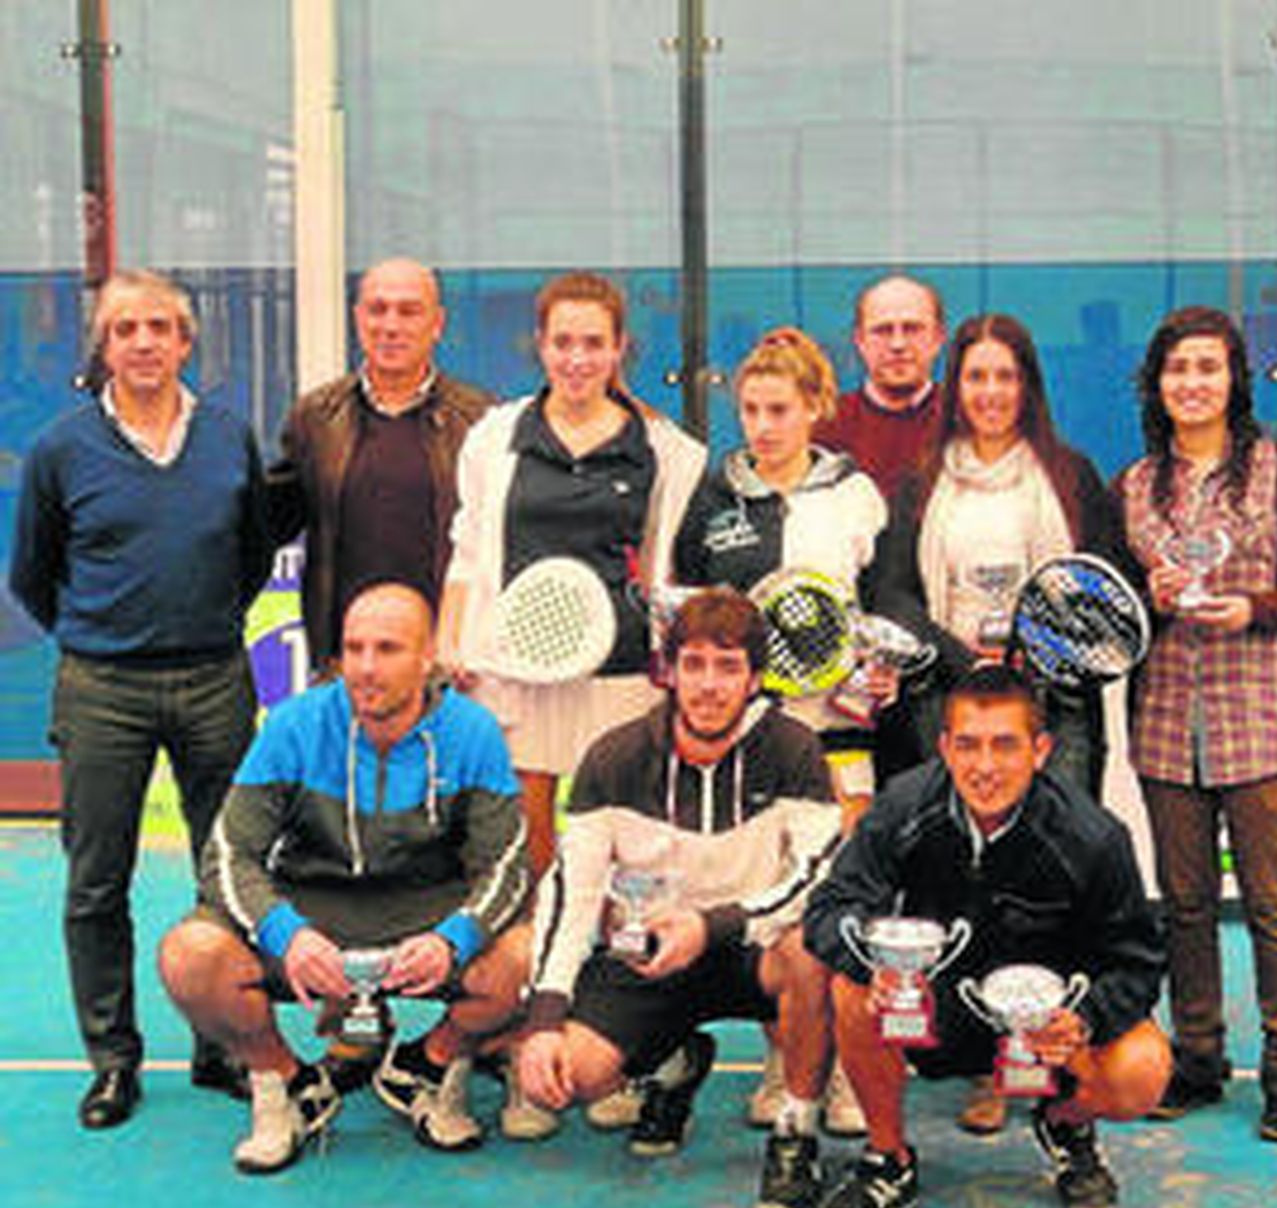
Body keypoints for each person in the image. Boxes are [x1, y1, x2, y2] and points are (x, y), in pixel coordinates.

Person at [9, 269, 273, 1128]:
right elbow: (34, 576)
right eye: (126, 329)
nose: (145, 342)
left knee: (227, 872)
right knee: (95, 881)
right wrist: (107, 636)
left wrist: (196, 627)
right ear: (105, 346)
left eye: (161, 326)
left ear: (187, 342)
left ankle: (220, 1044)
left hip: (214, 680)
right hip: (101, 688)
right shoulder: (60, 449)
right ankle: (113, 1061)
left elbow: (252, 560)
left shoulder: (231, 439)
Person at [157, 583, 531, 1173]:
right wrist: (287, 933)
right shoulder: (293, 725)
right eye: (354, 649)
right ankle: (287, 1084)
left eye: (387, 649)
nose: (365, 667)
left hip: (427, 921)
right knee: (189, 955)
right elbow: (228, 853)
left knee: (527, 955)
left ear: (427, 656)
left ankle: (427, 1067)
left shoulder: (473, 731)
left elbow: (508, 864)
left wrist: (452, 939)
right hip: (314, 919)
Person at [803, 665, 1169, 1208]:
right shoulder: (903, 807)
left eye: (1005, 745)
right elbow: (830, 908)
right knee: (850, 991)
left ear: (1041, 749)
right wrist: (874, 965)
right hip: (934, 1010)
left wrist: (1084, 1019)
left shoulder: (1095, 837)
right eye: (968, 745)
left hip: (1044, 1030)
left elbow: (1140, 964)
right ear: (945, 746)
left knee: (1143, 1068)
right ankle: (887, 1160)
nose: (985, 767)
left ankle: (1066, 1123)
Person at [514, 587, 842, 1208]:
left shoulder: (796, 749)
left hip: (752, 949)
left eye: (728, 667)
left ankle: (796, 1134)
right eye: (694, 664)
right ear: (668, 672)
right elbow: (570, 899)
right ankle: (674, 1059)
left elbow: (817, 877)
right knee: (565, 1080)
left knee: (811, 952)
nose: (709, 685)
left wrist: (713, 925)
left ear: (755, 678)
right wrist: (544, 1019)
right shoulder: (613, 757)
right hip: (648, 959)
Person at [1114, 306, 1277, 1143]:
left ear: (1234, 378)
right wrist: (1151, 597)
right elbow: (1113, 604)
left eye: (1208, 366)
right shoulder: (1134, 484)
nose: (1193, 382)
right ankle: (1199, 1057)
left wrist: (1256, 607)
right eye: (1178, 368)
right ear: (1158, 383)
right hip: (1168, 722)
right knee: (1184, 905)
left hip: (1265, 721)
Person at [674, 326, 886, 1135]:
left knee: (844, 892)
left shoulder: (856, 495)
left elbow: (885, 605)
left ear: (815, 409)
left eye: (780, 409)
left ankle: (847, 1072)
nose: (762, 425)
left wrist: (875, 669)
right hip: (752, 737)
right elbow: (692, 614)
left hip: (840, 730)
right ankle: (785, 1055)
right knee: (770, 903)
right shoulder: (714, 500)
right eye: (751, 409)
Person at [439, 270, 705, 882]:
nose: (577, 359)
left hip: (622, 669)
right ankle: (537, 947)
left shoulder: (665, 449)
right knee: (525, 835)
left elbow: (668, 567)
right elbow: (468, 553)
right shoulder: (494, 437)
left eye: (593, 344)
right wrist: (451, 640)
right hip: (517, 667)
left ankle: (617, 952)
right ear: (540, 344)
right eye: (563, 343)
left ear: (618, 348)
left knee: (620, 833)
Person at [872, 311, 1131, 800]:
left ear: (1028, 385)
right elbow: (894, 593)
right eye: (976, 376)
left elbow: (1107, 589)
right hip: (948, 701)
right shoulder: (921, 481)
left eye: (1005, 376)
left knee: (1058, 857)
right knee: (953, 861)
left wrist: (1031, 650)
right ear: (956, 386)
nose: (990, 392)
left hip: (1056, 704)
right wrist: (964, 659)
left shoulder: (1072, 475)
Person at [268, 256, 494, 671]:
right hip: (347, 663)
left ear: (438, 323)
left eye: (409, 311)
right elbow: (267, 526)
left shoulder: (482, 421)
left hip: (447, 664)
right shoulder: (315, 418)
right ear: (357, 318)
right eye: (377, 309)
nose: (391, 325)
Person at [814, 275, 947, 499]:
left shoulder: (963, 420)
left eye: (912, 329)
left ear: (938, 338)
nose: (898, 344)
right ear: (859, 341)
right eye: (883, 330)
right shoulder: (826, 427)